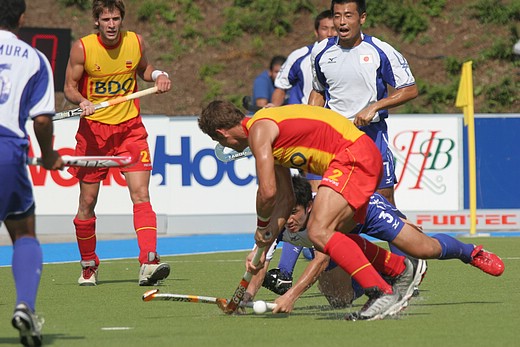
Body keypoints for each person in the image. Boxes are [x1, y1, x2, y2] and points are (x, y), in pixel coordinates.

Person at [198, 101, 427, 321]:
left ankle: (381, 292)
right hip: (353, 156)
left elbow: (267, 192)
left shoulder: (259, 131)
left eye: (219, 141)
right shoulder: (267, 132)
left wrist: (261, 227)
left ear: (222, 133)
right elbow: (285, 199)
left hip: (352, 155)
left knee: (318, 231)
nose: (226, 147)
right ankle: (399, 268)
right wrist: (261, 247)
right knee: (335, 234)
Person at [243, 175, 505, 313]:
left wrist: (291, 296)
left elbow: (321, 258)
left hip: (368, 212)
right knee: (339, 301)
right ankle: (379, 275)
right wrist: (244, 297)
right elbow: (259, 261)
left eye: (295, 213)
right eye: (285, 213)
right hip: (346, 233)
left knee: (424, 249)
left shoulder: (319, 217)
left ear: (309, 206)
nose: (289, 220)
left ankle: (471, 253)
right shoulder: (277, 220)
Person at [63, 0, 171, 286]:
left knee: (141, 195)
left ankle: (149, 261)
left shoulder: (135, 42)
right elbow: (69, 88)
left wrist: (158, 76)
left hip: (130, 131)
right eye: (106, 19)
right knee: (87, 201)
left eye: (116, 19)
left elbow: (144, 70)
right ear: (96, 21)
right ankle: (88, 265)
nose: (111, 24)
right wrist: (83, 101)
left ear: (122, 20)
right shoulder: (83, 48)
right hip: (93, 135)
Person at [308, 0, 419, 207]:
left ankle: (404, 239)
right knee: (321, 202)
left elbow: (409, 89)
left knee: (384, 200)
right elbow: (318, 91)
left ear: (362, 18)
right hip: (333, 137)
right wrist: (310, 125)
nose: (342, 22)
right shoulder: (320, 52)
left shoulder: (380, 50)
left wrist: (375, 106)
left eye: (348, 16)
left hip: (371, 134)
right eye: (337, 16)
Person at [0, 0, 64, 344]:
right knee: (24, 232)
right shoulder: (34, 58)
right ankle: (24, 305)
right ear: (22, 18)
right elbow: (42, 119)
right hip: (6, 150)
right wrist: (50, 155)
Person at [267, 9, 336, 285]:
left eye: (334, 28)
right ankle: (285, 272)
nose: (330, 33)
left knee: (320, 208)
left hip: (334, 138)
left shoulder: (349, 57)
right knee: (305, 201)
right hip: (305, 140)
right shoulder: (300, 57)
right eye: (325, 29)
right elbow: (278, 92)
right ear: (315, 31)